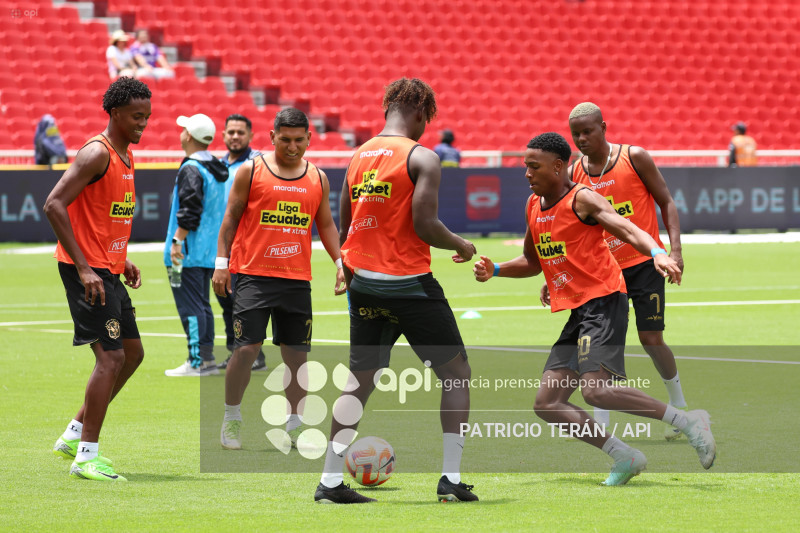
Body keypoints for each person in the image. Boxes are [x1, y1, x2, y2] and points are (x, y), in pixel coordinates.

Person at [474, 132, 716, 485]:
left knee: (595, 390)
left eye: (533, 166)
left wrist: (658, 253)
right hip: (578, 309)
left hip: (603, 301)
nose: (526, 173)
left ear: (558, 167)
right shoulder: (532, 205)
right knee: (547, 403)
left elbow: (627, 228)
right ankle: (625, 455)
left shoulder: (583, 199)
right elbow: (531, 260)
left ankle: (688, 421)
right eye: (525, 166)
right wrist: (494, 269)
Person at [313, 78, 478, 504]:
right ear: (423, 113)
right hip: (409, 285)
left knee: (359, 383)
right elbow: (425, 224)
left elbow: (346, 226)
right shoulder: (423, 156)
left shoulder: (358, 156)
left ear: (388, 107)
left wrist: (345, 267)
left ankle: (330, 482)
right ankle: (451, 479)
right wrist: (461, 244)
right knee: (456, 374)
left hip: (364, 284)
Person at [542, 102, 690, 440]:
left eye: (588, 131)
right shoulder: (575, 173)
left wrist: (674, 250)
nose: (581, 138)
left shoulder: (634, 157)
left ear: (604, 127)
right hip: (602, 274)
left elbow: (666, 200)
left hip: (644, 264)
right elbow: (564, 230)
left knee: (651, 338)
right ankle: (604, 431)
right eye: (576, 133)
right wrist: (552, 275)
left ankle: (679, 404)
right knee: (599, 353)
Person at [212, 108, 345, 453]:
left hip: (296, 280)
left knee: (297, 358)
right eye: (285, 139)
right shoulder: (250, 171)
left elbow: (326, 225)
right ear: (271, 137)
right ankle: (232, 416)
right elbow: (230, 220)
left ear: (309, 139)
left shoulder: (318, 177)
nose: (292, 146)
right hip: (253, 276)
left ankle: (296, 425)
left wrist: (341, 261)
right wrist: (222, 264)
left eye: (299, 140)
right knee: (246, 350)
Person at [44, 77, 152, 482]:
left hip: (107, 268)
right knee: (111, 358)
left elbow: (103, 217)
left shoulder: (126, 155)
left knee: (133, 352)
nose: (143, 123)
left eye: (147, 116)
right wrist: (86, 266)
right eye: (136, 116)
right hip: (85, 272)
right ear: (115, 113)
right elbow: (54, 204)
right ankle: (87, 455)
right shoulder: (97, 153)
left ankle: (74, 435)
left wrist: (121, 260)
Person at [163, 113, 230, 376]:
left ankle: (196, 360)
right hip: (208, 249)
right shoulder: (215, 166)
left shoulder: (191, 168)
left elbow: (190, 210)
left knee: (190, 305)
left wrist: (177, 240)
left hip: (186, 251)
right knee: (202, 304)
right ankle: (207, 359)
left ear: (188, 136)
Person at [215, 114, 267, 372]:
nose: (235, 136)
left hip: (248, 248)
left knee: (242, 304)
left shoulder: (259, 163)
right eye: (231, 132)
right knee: (226, 303)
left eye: (240, 132)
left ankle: (253, 354)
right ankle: (236, 352)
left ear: (250, 135)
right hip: (224, 248)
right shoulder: (218, 165)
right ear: (223, 135)